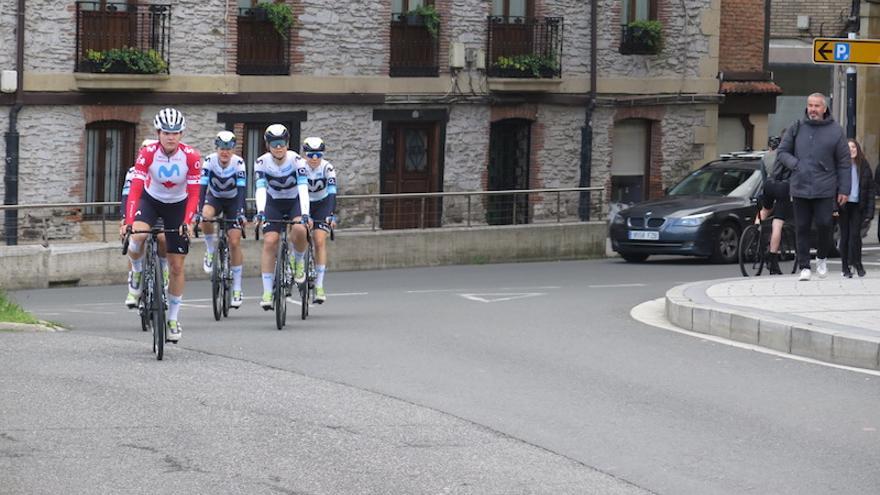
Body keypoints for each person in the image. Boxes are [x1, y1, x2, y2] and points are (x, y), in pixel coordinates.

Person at [124, 108, 202, 342]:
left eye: (176, 133)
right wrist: (129, 221)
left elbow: (195, 193)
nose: (171, 137)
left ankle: (173, 318)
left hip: (178, 205)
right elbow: (135, 188)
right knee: (137, 236)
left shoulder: (191, 156)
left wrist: (187, 221)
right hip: (151, 200)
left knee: (176, 266)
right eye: (166, 132)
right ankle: (136, 274)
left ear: (181, 134)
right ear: (158, 133)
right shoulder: (147, 153)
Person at [776, 93, 850, 281]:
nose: (813, 109)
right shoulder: (797, 127)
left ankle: (822, 258)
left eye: (817, 106)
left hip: (825, 187)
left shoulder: (836, 131)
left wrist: (844, 189)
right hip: (800, 186)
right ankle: (804, 266)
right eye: (810, 105)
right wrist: (795, 164)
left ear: (824, 108)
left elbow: (844, 162)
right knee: (802, 227)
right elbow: (782, 152)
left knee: (825, 225)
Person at [253, 124, 312, 310]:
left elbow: (303, 189)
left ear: (287, 143)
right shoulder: (261, 162)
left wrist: (304, 213)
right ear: (268, 145)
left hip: (294, 201)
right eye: (274, 143)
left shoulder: (297, 161)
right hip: (273, 204)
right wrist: (261, 211)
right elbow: (261, 189)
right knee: (270, 241)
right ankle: (267, 291)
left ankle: (299, 261)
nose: (278, 147)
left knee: (300, 229)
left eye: (282, 143)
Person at [197, 130, 248, 308]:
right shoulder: (209, 161)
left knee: (234, 242)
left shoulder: (239, 163)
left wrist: (241, 212)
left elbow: (242, 191)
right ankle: (211, 251)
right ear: (216, 148)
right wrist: (197, 210)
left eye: (228, 148)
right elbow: (202, 187)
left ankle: (237, 287)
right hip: (216, 198)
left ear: (233, 149)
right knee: (205, 216)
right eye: (221, 148)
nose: (224, 152)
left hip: (234, 201)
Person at [120, 139, 168, 290]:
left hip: (160, 210)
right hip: (139, 210)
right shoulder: (133, 172)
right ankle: (135, 272)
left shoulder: (163, 170)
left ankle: (164, 267)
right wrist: (124, 218)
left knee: (163, 238)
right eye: (143, 150)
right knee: (136, 238)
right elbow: (126, 197)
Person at [301, 137, 338, 304]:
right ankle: (296, 264)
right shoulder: (299, 167)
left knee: (319, 240)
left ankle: (319, 286)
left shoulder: (327, 168)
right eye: (310, 155)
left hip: (322, 205)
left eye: (318, 154)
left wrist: (330, 213)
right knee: (299, 233)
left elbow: (331, 193)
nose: (314, 158)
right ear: (305, 154)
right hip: (304, 204)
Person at [838, 139, 875, 277]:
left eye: (853, 147)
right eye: (848, 147)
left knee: (855, 236)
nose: (851, 150)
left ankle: (857, 264)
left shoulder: (864, 165)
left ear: (857, 149)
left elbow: (870, 189)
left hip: (858, 205)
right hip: (843, 205)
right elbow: (834, 187)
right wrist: (834, 208)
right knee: (845, 236)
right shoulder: (841, 166)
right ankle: (845, 267)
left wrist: (870, 212)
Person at [758, 132, 791, 275]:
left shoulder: (765, 157)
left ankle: (755, 233)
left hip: (769, 185)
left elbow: (763, 177)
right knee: (777, 223)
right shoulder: (788, 155)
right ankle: (772, 257)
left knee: (765, 210)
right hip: (783, 187)